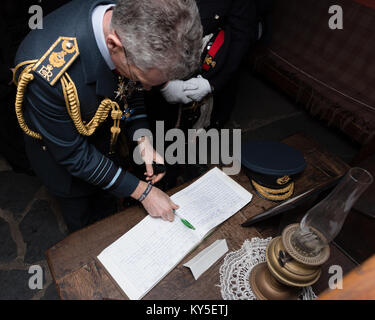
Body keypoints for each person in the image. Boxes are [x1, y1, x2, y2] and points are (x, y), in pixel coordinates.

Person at [13, 0, 203, 233]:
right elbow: (74, 155)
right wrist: (143, 192)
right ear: (114, 45)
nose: (146, 88)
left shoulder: (129, 19)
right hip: (68, 168)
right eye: (144, 80)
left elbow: (128, 88)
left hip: (108, 145)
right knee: (88, 231)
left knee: (109, 206)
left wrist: (142, 138)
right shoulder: (46, 75)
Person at [148, 0, 257, 131]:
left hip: (207, 65)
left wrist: (211, 83)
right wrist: (161, 83)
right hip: (153, 62)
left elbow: (240, 35)